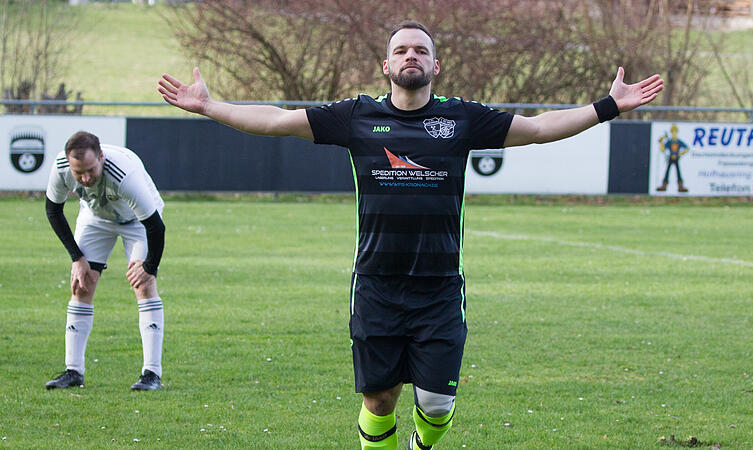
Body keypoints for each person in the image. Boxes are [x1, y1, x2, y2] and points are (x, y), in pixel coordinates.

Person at [158, 20, 662, 449]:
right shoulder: (357, 116)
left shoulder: (462, 117)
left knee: (438, 405)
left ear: (435, 66)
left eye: (421, 49)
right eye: (401, 49)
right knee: (379, 399)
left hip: (440, 287)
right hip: (376, 284)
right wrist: (210, 106)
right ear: (386, 65)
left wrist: (607, 106)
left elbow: (536, 128)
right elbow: (275, 120)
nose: (410, 56)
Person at [44, 131, 166, 391]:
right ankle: (73, 371)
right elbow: (53, 210)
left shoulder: (124, 175)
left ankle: (152, 374)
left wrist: (149, 267)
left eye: (90, 170)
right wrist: (76, 258)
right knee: (81, 284)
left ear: (100, 157)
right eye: (79, 173)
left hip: (137, 221)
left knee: (143, 285)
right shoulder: (61, 167)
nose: (85, 179)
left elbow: (156, 227)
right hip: (96, 218)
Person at [656, 124, 690, 192]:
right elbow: (663, 150)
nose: (674, 133)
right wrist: (661, 143)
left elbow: (687, 148)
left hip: (676, 158)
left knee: (678, 172)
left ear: (677, 132)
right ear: (671, 133)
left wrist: (680, 153)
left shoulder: (679, 141)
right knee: (667, 171)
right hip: (671, 158)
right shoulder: (669, 142)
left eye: (675, 132)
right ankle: (664, 185)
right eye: (673, 132)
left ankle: (680, 186)